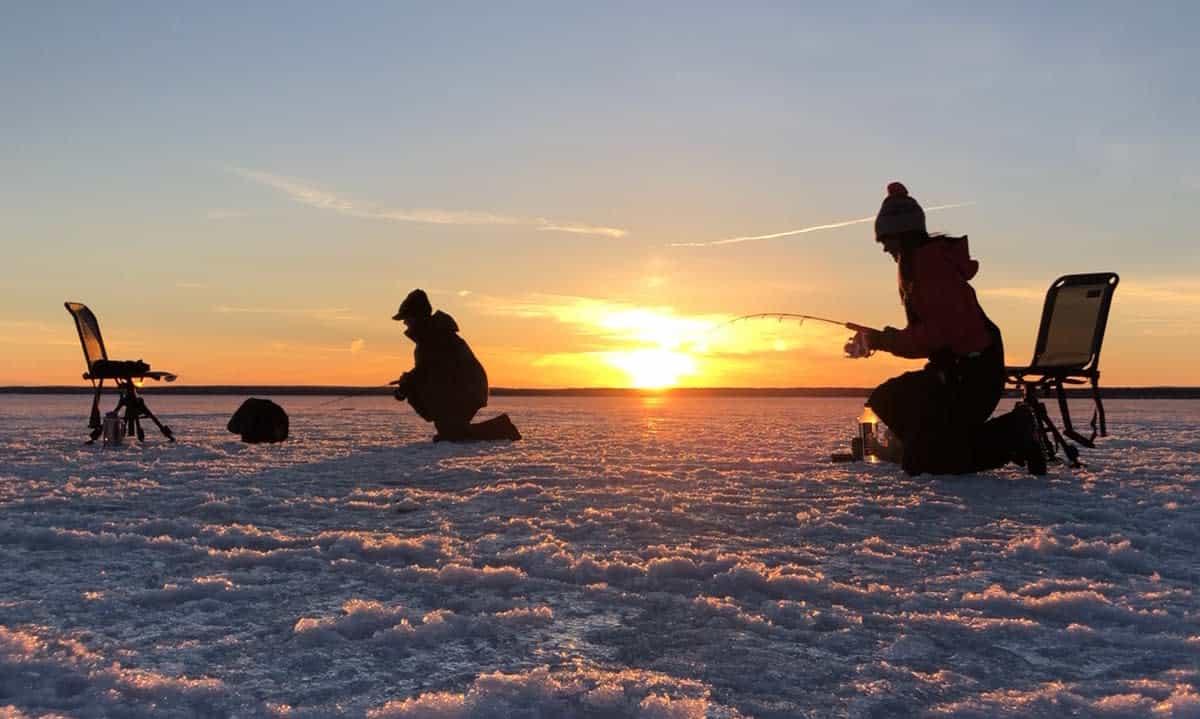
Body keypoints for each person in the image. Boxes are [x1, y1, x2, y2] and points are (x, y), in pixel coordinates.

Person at [849, 182, 1044, 476]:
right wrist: (878, 339)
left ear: (901, 235)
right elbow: (929, 333)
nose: (885, 248)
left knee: (927, 461)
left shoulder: (930, 267)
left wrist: (882, 339)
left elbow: (935, 335)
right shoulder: (919, 265)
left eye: (886, 240)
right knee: (887, 399)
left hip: (973, 377)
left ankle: (1013, 433)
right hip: (954, 372)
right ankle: (918, 445)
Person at [392, 289, 520, 442]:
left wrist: (408, 384)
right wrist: (408, 383)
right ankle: (496, 427)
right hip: (461, 390)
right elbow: (427, 370)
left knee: (452, 434)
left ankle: (502, 428)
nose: (405, 323)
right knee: (450, 431)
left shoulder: (436, 337)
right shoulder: (432, 337)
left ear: (417, 317)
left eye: (407, 318)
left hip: (466, 391)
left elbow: (431, 370)